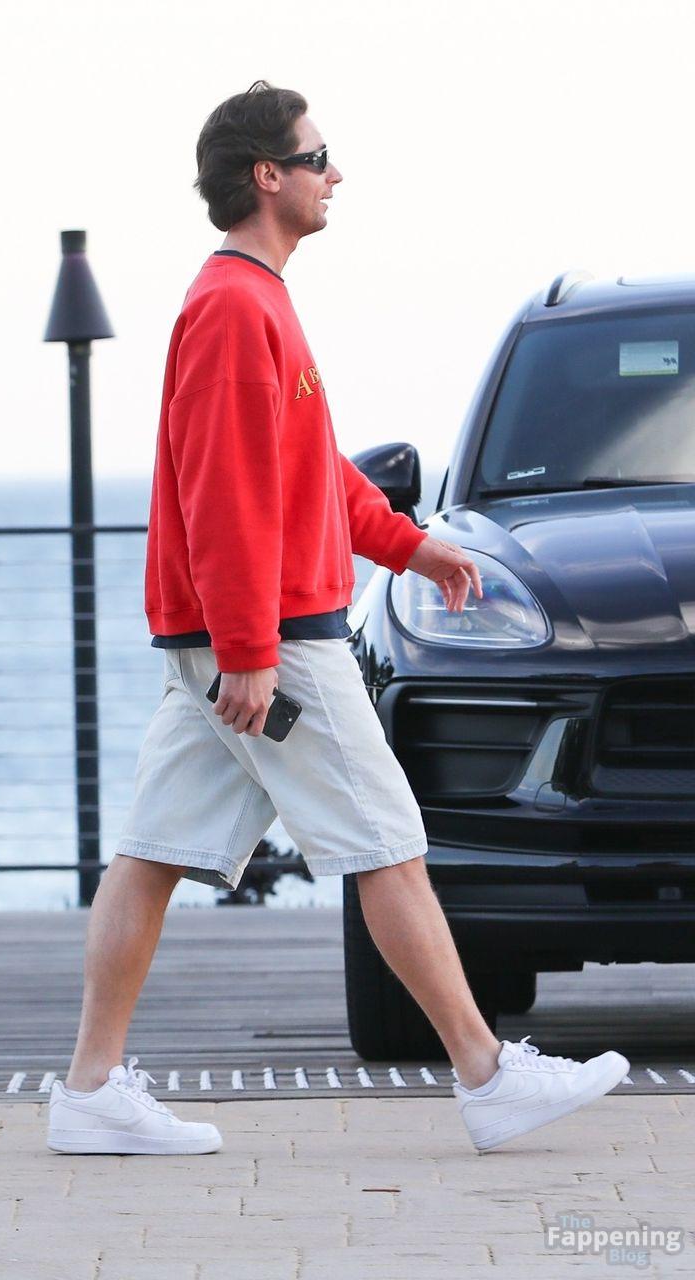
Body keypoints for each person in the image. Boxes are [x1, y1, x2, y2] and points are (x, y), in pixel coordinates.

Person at [45, 83, 629, 1158]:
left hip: (244, 637)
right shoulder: (235, 307)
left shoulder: (256, 298)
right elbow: (225, 495)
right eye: (319, 157)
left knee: (153, 849)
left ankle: (89, 1090)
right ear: (267, 175)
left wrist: (412, 546)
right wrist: (249, 651)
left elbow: (309, 471)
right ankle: (488, 1074)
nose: (336, 174)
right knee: (388, 842)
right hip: (276, 638)